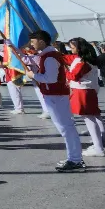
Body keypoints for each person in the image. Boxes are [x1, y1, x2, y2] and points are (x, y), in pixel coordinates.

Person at [25, 30, 84, 172]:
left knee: (66, 128)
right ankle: (74, 158)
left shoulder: (50, 57)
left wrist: (33, 75)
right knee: (66, 127)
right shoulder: (47, 55)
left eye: (33, 42)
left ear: (41, 41)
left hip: (56, 95)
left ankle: (75, 160)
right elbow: (30, 60)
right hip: (55, 95)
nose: (32, 45)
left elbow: (50, 79)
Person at [67, 38, 105, 158]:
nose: (71, 49)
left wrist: (65, 72)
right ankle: (100, 142)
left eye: (73, 47)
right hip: (88, 90)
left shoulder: (82, 62)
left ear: (79, 48)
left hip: (82, 91)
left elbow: (73, 75)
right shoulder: (87, 60)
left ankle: (98, 147)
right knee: (94, 116)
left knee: (89, 119)